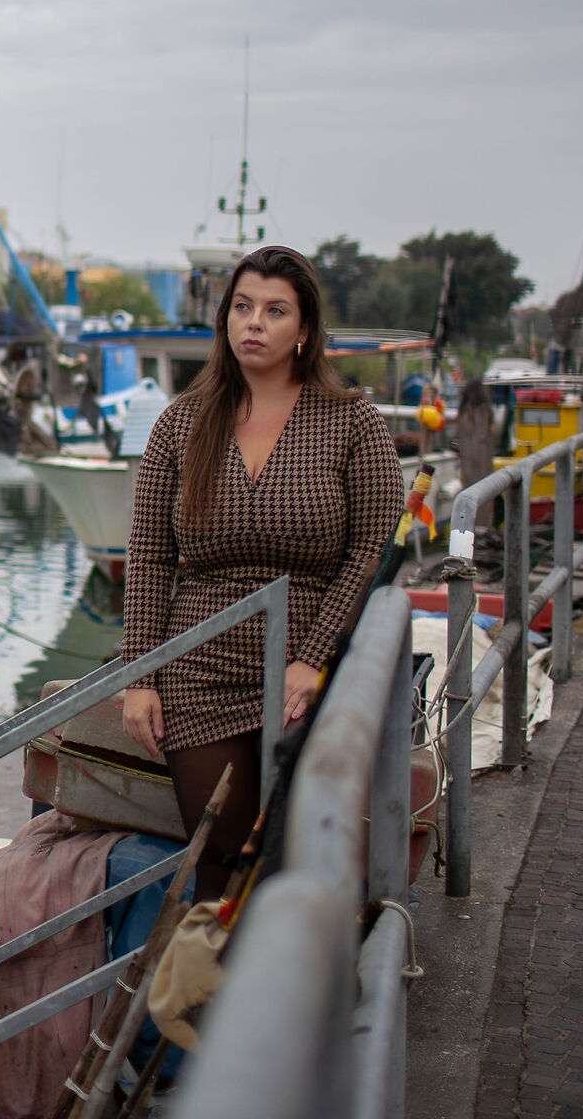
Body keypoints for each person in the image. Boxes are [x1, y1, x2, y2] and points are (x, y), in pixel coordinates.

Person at [117, 245, 401, 901]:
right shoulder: (180, 425)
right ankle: (216, 995)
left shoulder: (350, 421)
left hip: (309, 667)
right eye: (242, 307)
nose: (254, 322)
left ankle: (313, 991)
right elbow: (152, 555)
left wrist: (313, 657)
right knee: (218, 857)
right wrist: (141, 675)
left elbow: (371, 550)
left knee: (300, 853)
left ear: (303, 330)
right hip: (201, 670)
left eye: (275, 311)